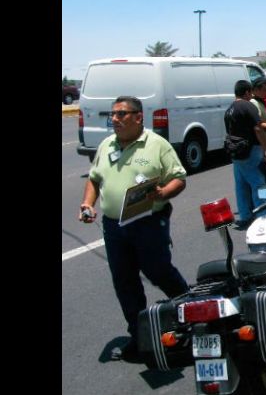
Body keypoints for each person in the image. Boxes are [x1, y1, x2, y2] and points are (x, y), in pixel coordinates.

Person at [79, 96, 189, 361]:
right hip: (115, 227)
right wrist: (87, 203)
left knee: (160, 272)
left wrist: (162, 192)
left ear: (138, 117)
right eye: (112, 115)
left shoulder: (156, 145)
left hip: (148, 223)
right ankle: (139, 337)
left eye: (121, 114)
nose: (114, 119)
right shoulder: (107, 145)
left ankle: (191, 315)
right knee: (124, 281)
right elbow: (94, 179)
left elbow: (179, 178)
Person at [225, 80, 266, 229]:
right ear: (246, 92)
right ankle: (263, 217)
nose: (251, 95)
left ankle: (245, 215)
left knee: (241, 184)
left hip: (236, 153)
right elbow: (258, 129)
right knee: (260, 183)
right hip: (250, 151)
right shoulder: (248, 106)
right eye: (250, 92)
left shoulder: (230, 109)